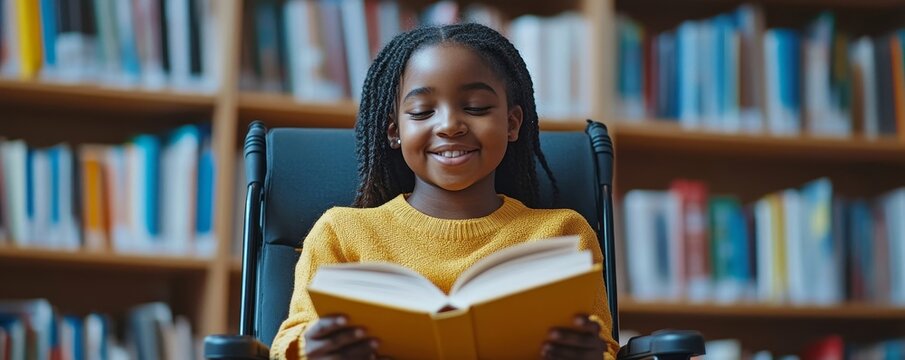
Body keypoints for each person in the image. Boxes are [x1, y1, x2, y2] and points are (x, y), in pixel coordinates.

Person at [271, 22, 619, 360]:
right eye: (422, 112)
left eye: (476, 108)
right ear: (395, 132)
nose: (450, 125)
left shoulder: (563, 235)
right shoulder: (341, 234)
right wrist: (312, 350)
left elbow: (603, 346)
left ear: (512, 123)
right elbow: (290, 341)